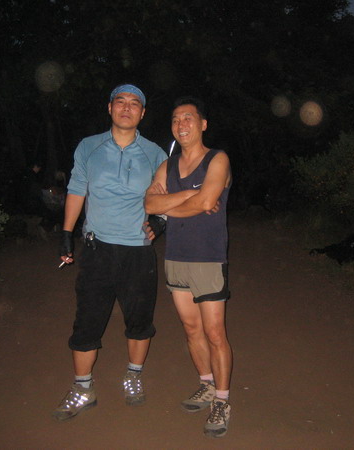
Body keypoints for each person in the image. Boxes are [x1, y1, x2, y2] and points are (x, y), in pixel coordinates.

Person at [53, 84, 167, 421]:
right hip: (97, 249)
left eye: (134, 104)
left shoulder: (155, 153)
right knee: (87, 322)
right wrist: (66, 233)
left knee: (139, 321)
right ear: (110, 108)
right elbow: (77, 188)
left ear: (142, 113)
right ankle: (83, 388)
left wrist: (161, 221)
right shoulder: (89, 147)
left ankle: (133, 376)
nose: (127, 108)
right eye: (121, 102)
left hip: (138, 252)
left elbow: (168, 194)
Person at [144, 96, 233, 438]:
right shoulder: (167, 166)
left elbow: (208, 200)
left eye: (188, 118)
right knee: (191, 329)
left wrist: (173, 202)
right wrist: (189, 197)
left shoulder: (217, 159)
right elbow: (149, 203)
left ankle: (222, 401)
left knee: (215, 333)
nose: (181, 124)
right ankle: (206, 384)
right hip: (176, 257)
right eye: (175, 120)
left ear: (203, 124)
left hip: (208, 257)